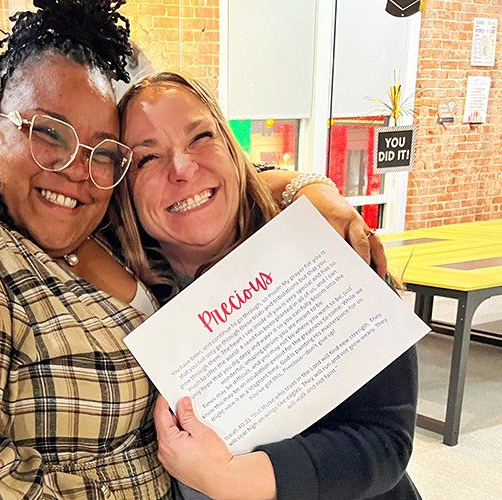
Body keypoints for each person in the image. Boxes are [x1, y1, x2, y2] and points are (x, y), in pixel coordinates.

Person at [0, 2, 388, 498]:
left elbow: (205, 190)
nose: (77, 170)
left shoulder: (114, 241)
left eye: (104, 154)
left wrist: (302, 189)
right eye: (49, 134)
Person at [111, 72, 420, 500]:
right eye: (147, 159)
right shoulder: (116, 301)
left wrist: (235, 479)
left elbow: (385, 441)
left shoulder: (331, 251)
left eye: (200, 137)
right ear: (122, 192)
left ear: (232, 149)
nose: (182, 168)